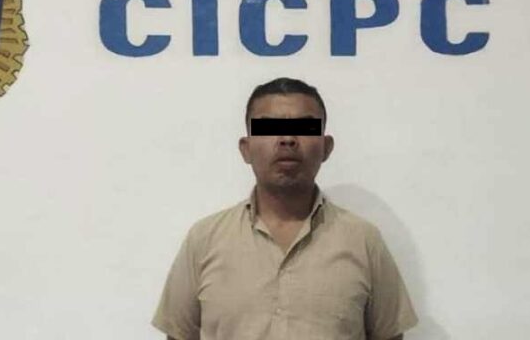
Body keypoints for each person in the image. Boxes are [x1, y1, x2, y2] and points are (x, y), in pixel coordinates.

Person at [152, 77, 418, 340]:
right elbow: (179, 335)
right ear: (246, 149)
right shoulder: (204, 240)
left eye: (305, 127)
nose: (287, 139)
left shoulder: (363, 241)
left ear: (326, 148)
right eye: (269, 128)